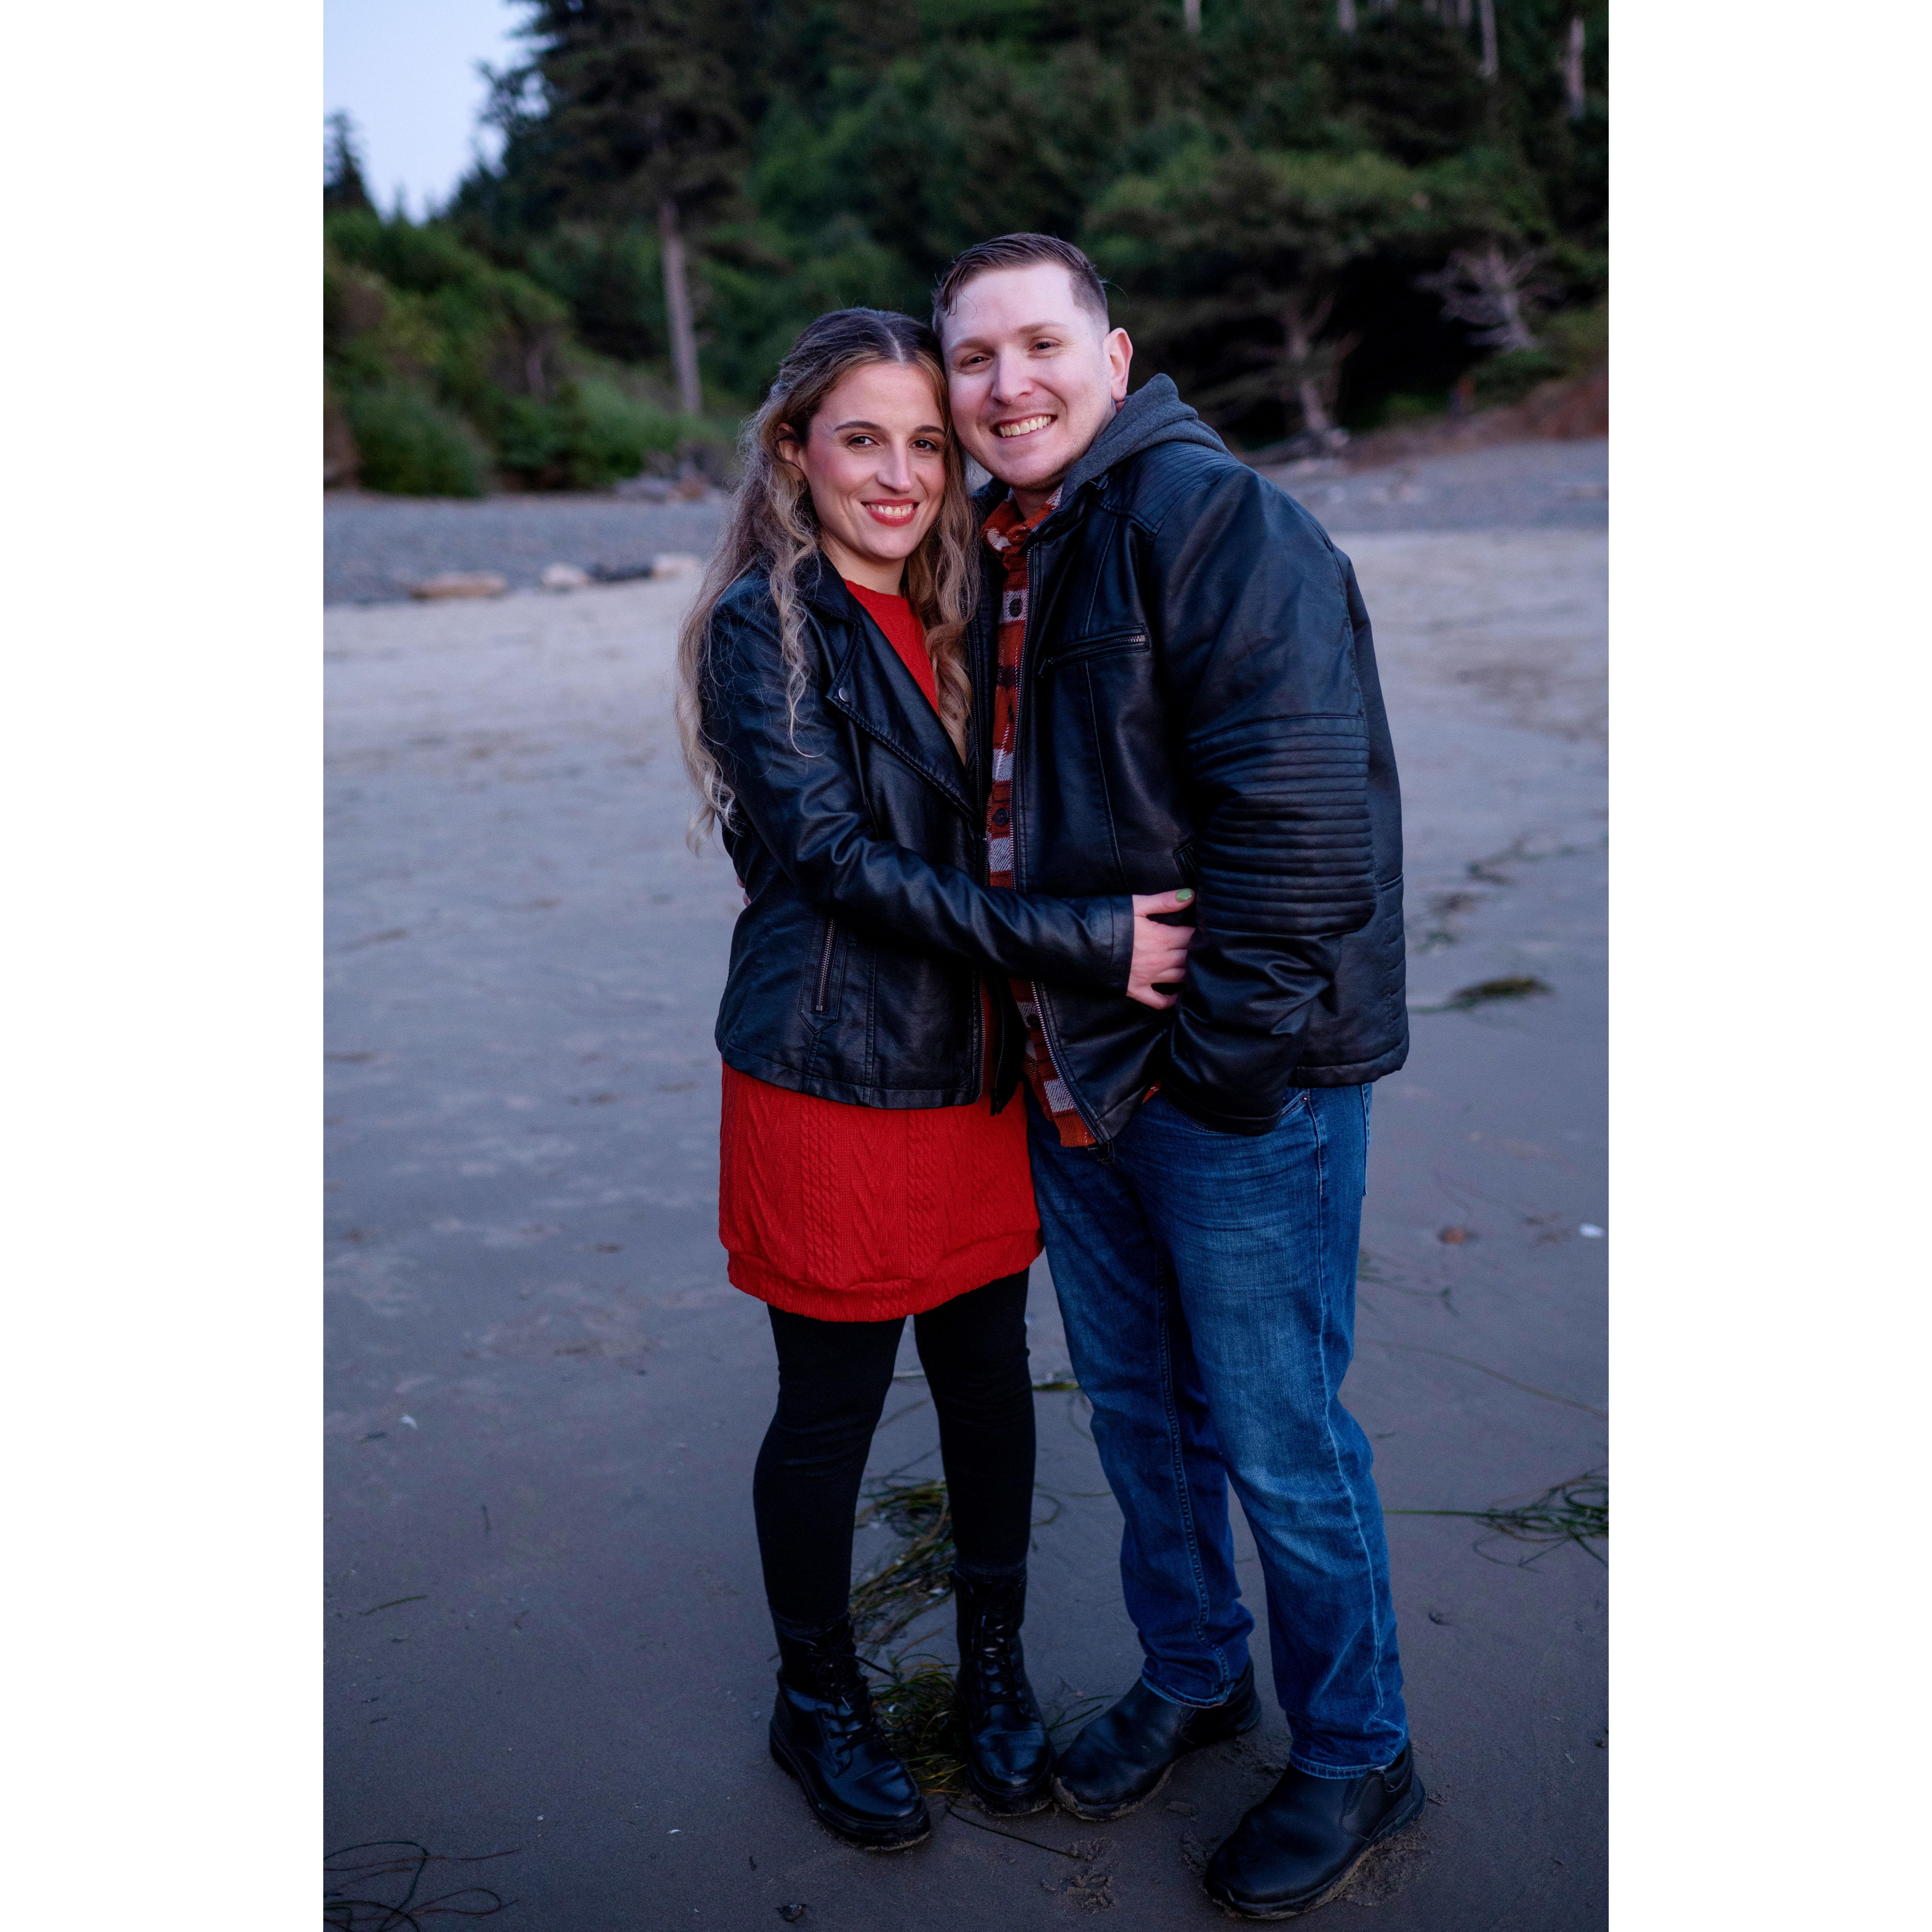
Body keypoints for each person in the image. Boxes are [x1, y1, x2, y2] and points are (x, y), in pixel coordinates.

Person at [933, 234, 1422, 1919]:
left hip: (1230, 1086)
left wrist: (1211, 1082)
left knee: (1282, 1435)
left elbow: (1301, 841)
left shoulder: (1214, 522)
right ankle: (1199, 1668)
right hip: (1079, 1077)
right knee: (1144, 1418)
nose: (1009, 383)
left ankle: (1359, 1747)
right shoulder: (1017, 550)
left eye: (1040, 344)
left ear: (1117, 357)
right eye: (975, 358)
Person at [676, 307, 1196, 1851]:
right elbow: (835, 865)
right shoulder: (762, 628)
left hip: (974, 1071)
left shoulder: (975, 607)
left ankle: (991, 1670)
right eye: (861, 440)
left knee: (985, 1388)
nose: (900, 475)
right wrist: (1082, 945)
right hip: (831, 1073)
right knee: (830, 1411)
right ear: (792, 452)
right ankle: (815, 1695)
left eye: (925, 441)